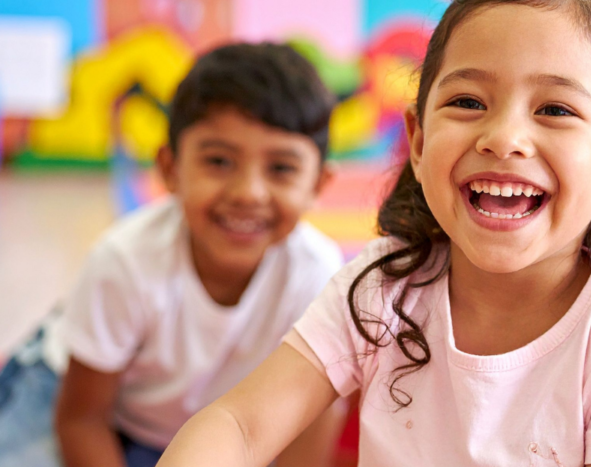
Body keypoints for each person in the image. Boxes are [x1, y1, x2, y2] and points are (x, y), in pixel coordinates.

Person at [155, 0, 591, 467]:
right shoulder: (385, 283)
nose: (504, 136)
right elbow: (241, 426)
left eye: (556, 110)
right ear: (416, 140)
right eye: (468, 101)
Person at [0, 43, 345, 467]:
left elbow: (309, 425)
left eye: (281, 169)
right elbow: (82, 421)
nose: (247, 194)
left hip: (212, 434)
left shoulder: (317, 275)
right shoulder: (126, 262)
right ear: (170, 168)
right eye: (219, 161)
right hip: (77, 401)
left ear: (318, 184)